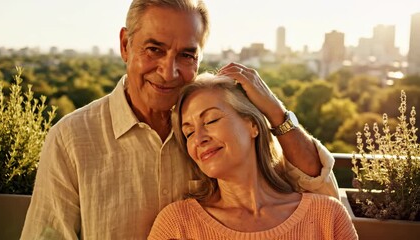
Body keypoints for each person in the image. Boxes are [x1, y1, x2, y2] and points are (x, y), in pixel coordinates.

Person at [21, 0, 338, 239]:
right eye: (154, 49)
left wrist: (275, 112)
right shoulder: (72, 139)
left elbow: (321, 197)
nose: (168, 71)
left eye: (186, 55)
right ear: (125, 45)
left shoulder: (224, 136)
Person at [148, 73, 358, 240]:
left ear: (252, 126)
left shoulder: (326, 216)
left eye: (211, 121)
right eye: (189, 133)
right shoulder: (177, 225)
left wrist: (275, 111)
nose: (199, 139)